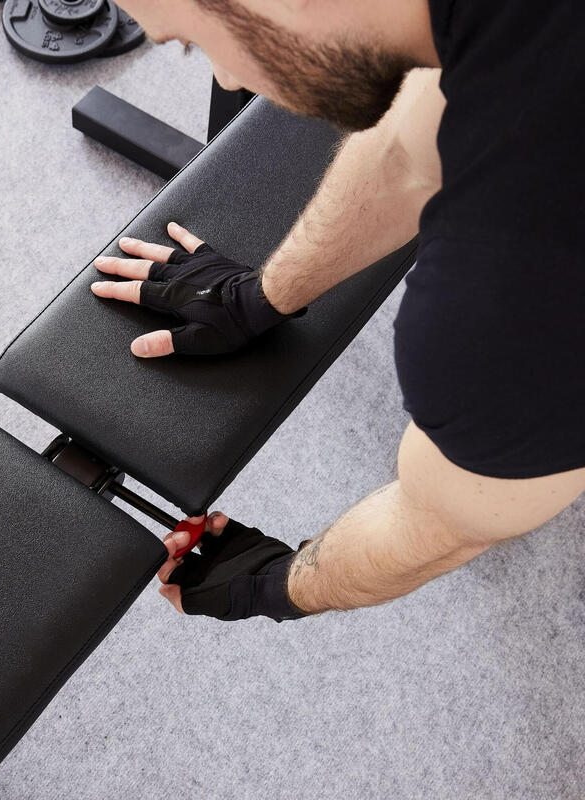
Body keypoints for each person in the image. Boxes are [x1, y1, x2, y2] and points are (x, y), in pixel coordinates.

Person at [89, 0, 585, 621]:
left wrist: (270, 585)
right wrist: (255, 297)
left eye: (191, 43)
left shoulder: (508, 313)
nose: (227, 80)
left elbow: (447, 523)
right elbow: (408, 154)